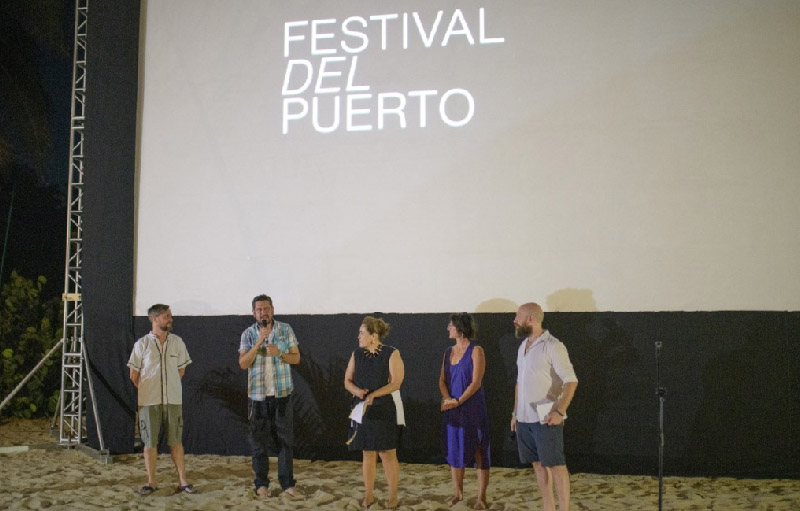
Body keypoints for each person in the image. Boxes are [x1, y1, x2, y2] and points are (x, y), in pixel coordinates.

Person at [510, 303, 578, 511]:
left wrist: (560, 410)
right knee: (538, 465)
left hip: (545, 415)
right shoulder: (523, 346)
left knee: (556, 465)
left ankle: (564, 508)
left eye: (518, 316)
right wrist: (515, 413)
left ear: (530, 318)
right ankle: (548, 507)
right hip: (524, 417)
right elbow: (519, 382)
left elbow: (571, 380)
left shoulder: (553, 346)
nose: (515, 320)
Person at [238, 294, 302, 498]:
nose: (263, 313)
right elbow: (243, 363)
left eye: (266, 309)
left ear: (272, 310)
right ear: (253, 313)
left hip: (282, 394)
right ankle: (261, 484)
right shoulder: (248, 334)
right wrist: (258, 343)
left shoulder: (285, 329)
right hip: (257, 397)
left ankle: (287, 484)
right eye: (259, 310)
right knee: (258, 443)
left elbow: (297, 358)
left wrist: (280, 354)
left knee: (285, 441)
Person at [128, 304, 195, 496]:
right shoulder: (142, 344)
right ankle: (151, 481)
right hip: (149, 401)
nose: (170, 319)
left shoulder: (178, 342)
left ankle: (183, 481)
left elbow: (181, 371)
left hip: (173, 400)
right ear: (155, 319)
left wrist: (169, 386)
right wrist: (150, 391)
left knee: (176, 441)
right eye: (167, 316)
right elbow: (134, 374)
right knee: (149, 442)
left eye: (170, 315)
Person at [344, 316, 405, 510]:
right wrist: (357, 392)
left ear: (373, 336)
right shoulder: (357, 354)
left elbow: (396, 382)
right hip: (363, 409)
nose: (358, 336)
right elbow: (347, 380)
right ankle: (369, 495)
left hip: (384, 408)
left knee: (387, 453)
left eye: (362, 333)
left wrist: (374, 395)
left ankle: (393, 496)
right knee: (367, 452)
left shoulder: (391, 353)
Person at [439, 313, 491, 509]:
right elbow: (442, 380)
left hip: (473, 408)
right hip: (453, 407)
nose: (448, 328)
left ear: (460, 327)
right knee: (454, 450)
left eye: (451, 325)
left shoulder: (476, 350)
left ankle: (481, 497)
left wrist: (458, 401)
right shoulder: (448, 352)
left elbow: (476, 382)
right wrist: (448, 399)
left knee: (479, 450)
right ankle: (458, 493)